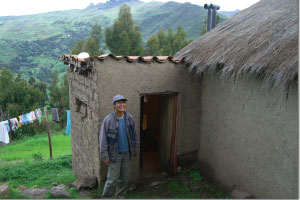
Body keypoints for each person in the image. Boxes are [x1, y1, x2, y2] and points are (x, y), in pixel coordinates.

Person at [100, 94, 139, 198]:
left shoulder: (129, 118)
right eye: (119, 102)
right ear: (114, 105)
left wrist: (135, 148)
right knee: (112, 180)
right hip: (114, 155)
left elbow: (134, 135)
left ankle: (120, 197)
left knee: (125, 179)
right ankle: (106, 198)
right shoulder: (108, 120)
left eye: (123, 102)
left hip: (127, 154)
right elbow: (103, 140)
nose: (122, 104)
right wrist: (105, 156)